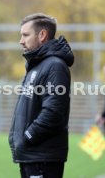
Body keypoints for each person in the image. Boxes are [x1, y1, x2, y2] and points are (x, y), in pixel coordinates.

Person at [8, 13, 74, 178]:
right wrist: (15, 137)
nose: (21, 41)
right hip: (32, 156)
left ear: (42, 35)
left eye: (25, 35)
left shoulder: (54, 66)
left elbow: (53, 112)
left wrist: (28, 136)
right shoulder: (37, 65)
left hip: (42, 158)